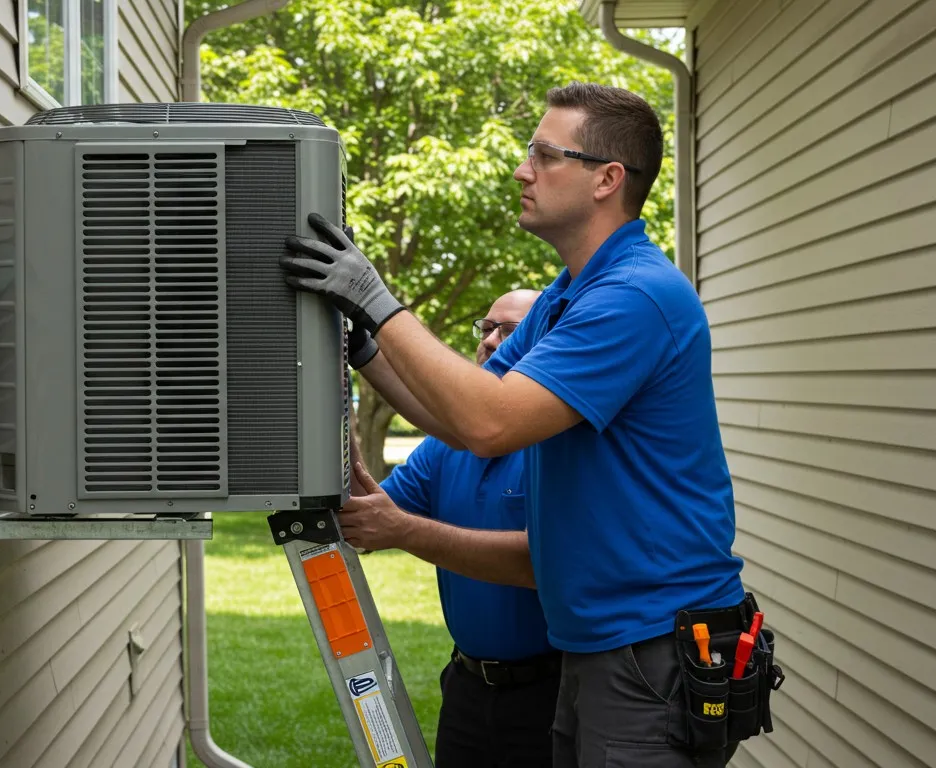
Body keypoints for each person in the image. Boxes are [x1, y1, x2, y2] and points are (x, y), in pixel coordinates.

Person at [280, 82, 748, 768]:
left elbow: (487, 422)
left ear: (606, 180)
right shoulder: (569, 294)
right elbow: (459, 412)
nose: (523, 170)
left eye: (544, 154)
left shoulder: (635, 297)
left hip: (651, 649)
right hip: (601, 643)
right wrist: (361, 345)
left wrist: (374, 297)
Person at [340, 289, 557, 768]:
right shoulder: (443, 449)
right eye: (486, 328)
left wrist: (403, 531)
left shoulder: (556, 444)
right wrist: (339, 394)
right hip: (466, 688)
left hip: (552, 694)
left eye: (512, 330)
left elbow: (545, 563)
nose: (492, 341)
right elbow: (363, 513)